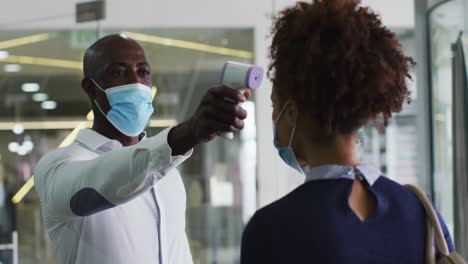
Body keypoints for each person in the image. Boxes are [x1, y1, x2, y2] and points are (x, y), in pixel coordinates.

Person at [240, 1, 455, 263]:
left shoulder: (270, 229)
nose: (274, 117)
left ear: (292, 113)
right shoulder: (421, 213)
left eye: (275, 105)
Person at [34, 34, 250, 264]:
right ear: (90, 88)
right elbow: (103, 182)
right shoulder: (57, 167)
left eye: (143, 72)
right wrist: (188, 133)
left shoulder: (169, 173)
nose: (135, 82)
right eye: (119, 72)